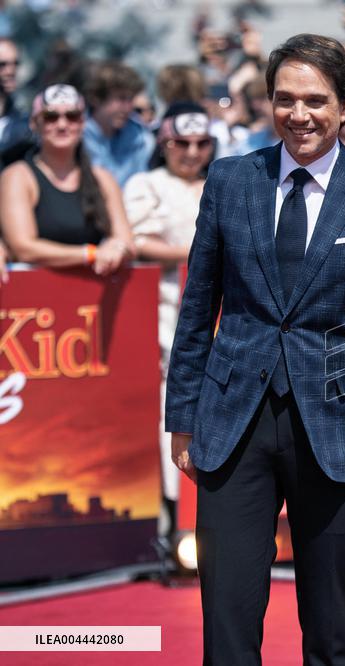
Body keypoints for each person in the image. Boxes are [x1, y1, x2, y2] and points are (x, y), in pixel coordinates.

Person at [165, 34, 345, 665]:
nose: (299, 114)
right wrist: (182, 419)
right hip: (234, 423)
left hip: (340, 426)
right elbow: (197, 309)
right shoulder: (230, 180)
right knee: (227, 624)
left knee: (333, 629)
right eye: (285, 99)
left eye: (315, 100)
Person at [123, 103, 215, 538]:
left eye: (201, 143)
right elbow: (137, 240)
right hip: (165, 316)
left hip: (224, 315)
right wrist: (204, 253)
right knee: (173, 411)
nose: (192, 152)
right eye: (182, 143)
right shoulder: (146, 184)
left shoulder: (223, 179)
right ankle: (176, 516)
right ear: (164, 143)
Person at [0, 84, 133, 275]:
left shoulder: (102, 178)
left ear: (83, 123)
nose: (62, 125)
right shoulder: (18, 176)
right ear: (34, 123)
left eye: (72, 116)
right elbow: (23, 248)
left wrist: (118, 248)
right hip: (36, 290)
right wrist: (91, 253)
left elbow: (126, 241)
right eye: (50, 117)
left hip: (93, 288)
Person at [82, 61, 155, 186]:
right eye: (121, 98)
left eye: (130, 99)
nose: (128, 108)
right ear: (96, 98)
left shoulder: (142, 139)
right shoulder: (75, 137)